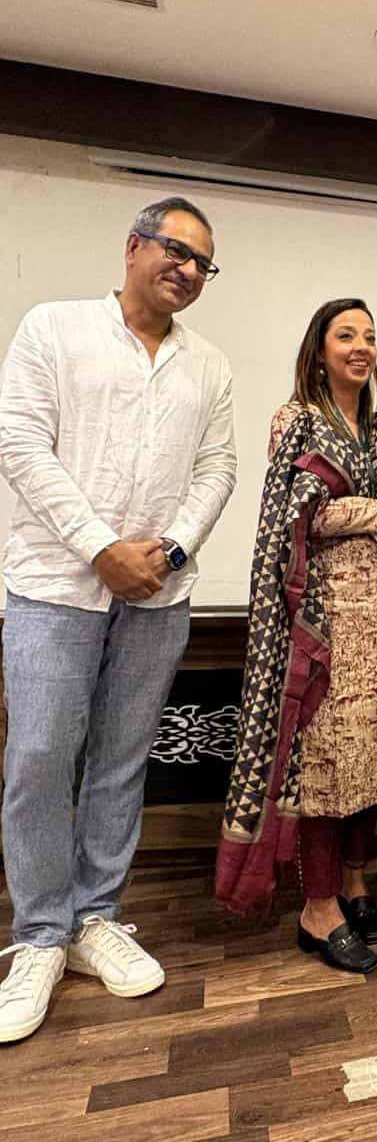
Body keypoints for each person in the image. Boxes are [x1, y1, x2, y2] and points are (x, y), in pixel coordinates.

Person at [0, 197, 236, 1042]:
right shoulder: (54, 328)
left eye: (202, 262)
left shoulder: (209, 366)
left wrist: (168, 550)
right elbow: (20, 445)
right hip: (52, 586)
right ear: (134, 247)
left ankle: (96, 918)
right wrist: (100, 547)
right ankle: (39, 935)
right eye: (176, 249)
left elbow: (217, 469)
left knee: (120, 760)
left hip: (158, 595)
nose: (188, 269)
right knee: (38, 756)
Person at [216, 299, 377, 975]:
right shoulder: (297, 420)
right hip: (324, 619)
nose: (361, 346)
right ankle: (317, 907)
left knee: (373, 760)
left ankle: (354, 881)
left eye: (370, 336)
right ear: (320, 350)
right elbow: (303, 514)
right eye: (347, 335)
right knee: (327, 766)